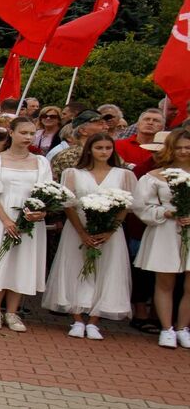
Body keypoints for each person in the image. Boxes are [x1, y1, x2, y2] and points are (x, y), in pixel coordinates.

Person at [45, 133, 134, 338]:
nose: (104, 152)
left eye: (107, 148)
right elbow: (68, 205)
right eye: (99, 148)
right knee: (75, 267)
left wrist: (110, 230)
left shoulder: (124, 175)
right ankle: (76, 317)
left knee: (106, 270)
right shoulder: (73, 173)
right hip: (78, 229)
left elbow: (127, 206)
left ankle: (94, 319)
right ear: (89, 150)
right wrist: (82, 232)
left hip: (109, 232)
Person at [0, 117, 53, 332]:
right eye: (23, 132)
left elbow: (46, 191)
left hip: (30, 219)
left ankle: (13, 312)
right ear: (12, 133)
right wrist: (6, 219)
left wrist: (40, 211)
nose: (28, 137)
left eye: (31, 133)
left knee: (22, 262)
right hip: (0, 217)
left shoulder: (41, 161)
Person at [135, 128, 190, 348]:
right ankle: (166, 328)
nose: (184, 151)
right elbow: (141, 205)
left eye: (188, 147)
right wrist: (165, 213)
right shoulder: (156, 176)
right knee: (165, 281)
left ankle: (183, 328)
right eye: (179, 147)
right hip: (166, 230)